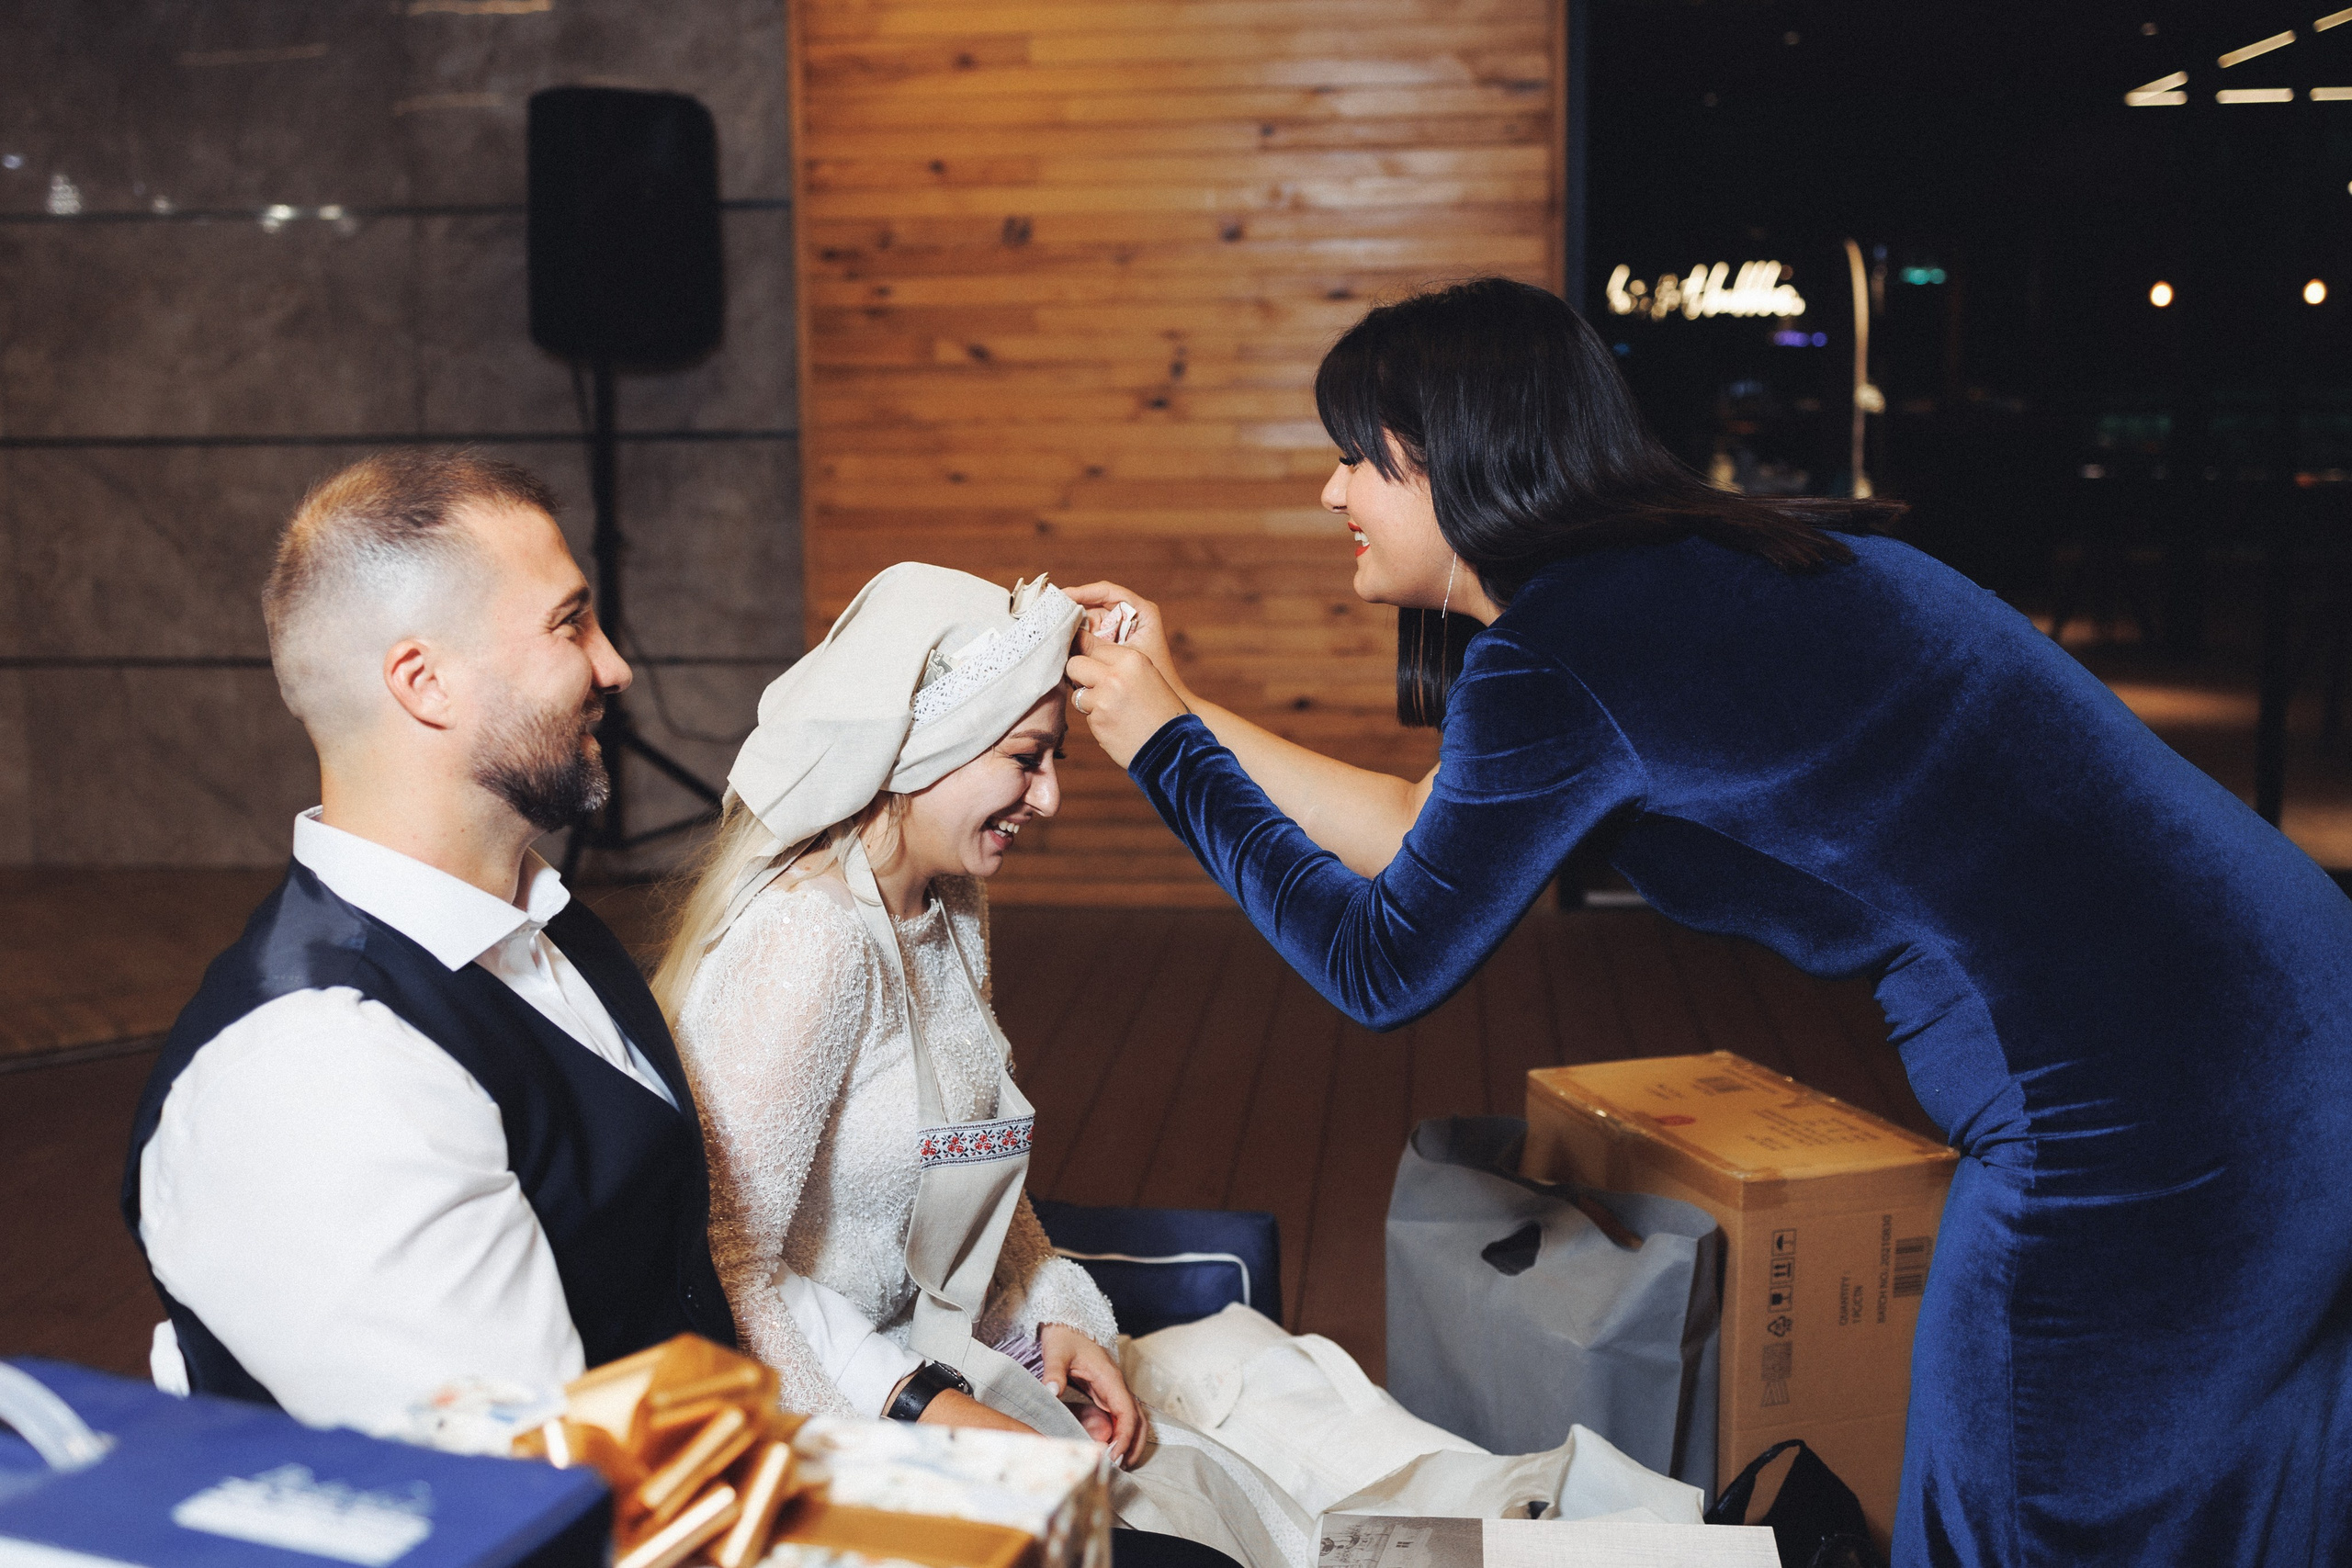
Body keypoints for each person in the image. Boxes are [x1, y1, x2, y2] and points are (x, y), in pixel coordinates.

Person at [1065, 278, 2352, 1566]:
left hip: (2150, 1091)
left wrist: (1169, 754)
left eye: (1358, 456)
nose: (1332, 493)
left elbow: (1381, 956)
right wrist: (1180, 706)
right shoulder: (1687, 576)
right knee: (2243, 1469)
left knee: (2027, 1502)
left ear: (1457, 454)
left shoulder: (1566, 653)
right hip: (2283, 996)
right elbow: (1423, 826)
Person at [653, 563, 1313, 1568]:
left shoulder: (950, 904)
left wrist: (1058, 1315)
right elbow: (726, 1268)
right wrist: (923, 1415)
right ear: (924, 748)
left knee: (1284, 1473)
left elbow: (970, 1159)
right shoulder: (810, 942)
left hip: (946, 1353)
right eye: (1025, 759)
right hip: (829, 1413)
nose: (1046, 798)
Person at [119, 450, 738, 1433]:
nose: (614, 667)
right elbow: (527, 1479)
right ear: (426, 682)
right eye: (570, 623)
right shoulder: (315, 1068)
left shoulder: (544, 919)